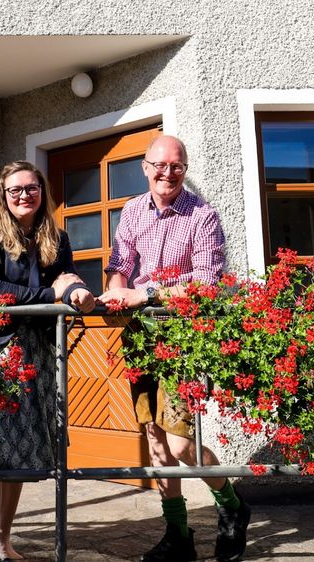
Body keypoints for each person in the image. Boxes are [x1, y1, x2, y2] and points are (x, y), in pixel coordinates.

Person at [98, 135, 251, 562]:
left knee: (183, 444)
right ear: (145, 167)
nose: (167, 173)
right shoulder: (131, 210)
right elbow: (120, 265)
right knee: (156, 439)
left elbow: (205, 283)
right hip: (140, 337)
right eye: (159, 165)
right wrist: (115, 291)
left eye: (177, 165)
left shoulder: (203, 216)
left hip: (184, 340)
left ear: (185, 168)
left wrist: (142, 294)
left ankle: (233, 507)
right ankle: (178, 536)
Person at [0, 160, 96, 562]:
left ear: (42, 192)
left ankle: (3, 543)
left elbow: (67, 278)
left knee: (20, 454)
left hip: (36, 354)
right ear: (3, 194)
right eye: (15, 190)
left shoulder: (55, 237)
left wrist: (74, 289)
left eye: (31, 188)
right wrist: (53, 297)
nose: (24, 195)